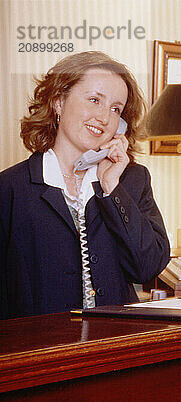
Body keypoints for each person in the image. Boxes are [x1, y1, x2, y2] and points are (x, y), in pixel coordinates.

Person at [0, 51, 170, 320]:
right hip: (40, 352)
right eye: (94, 100)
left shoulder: (132, 180)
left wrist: (111, 187)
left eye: (115, 109)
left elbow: (148, 268)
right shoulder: (9, 189)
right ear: (59, 102)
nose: (104, 118)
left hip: (116, 347)